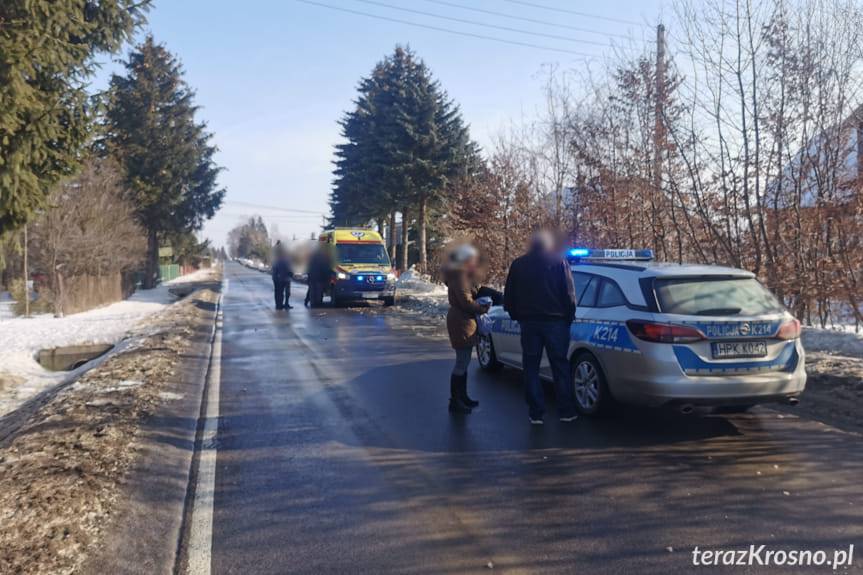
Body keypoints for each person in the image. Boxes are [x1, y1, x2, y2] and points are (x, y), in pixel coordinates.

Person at [504, 231, 578, 425]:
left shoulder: (519, 264)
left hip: (529, 323)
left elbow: (509, 295)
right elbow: (569, 294)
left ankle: (536, 412)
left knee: (531, 367)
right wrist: (568, 318)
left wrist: (517, 316)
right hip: (556, 323)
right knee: (560, 366)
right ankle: (566, 411)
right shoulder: (559, 262)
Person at [444, 244, 490, 414]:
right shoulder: (460, 276)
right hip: (461, 321)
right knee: (462, 362)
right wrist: (482, 308)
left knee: (463, 361)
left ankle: (462, 397)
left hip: (462, 320)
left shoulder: (460, 275)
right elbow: (466, 301)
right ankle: (456, 400)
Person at [271, 243, 294, 310]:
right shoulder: (285, 260)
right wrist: (291, 274)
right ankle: (283, 304)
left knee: (278, 292)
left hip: (277, 278)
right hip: (284, 278)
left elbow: (274, 269)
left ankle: (279, 304)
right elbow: (288, 269)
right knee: (284, 292)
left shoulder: (276, 260)